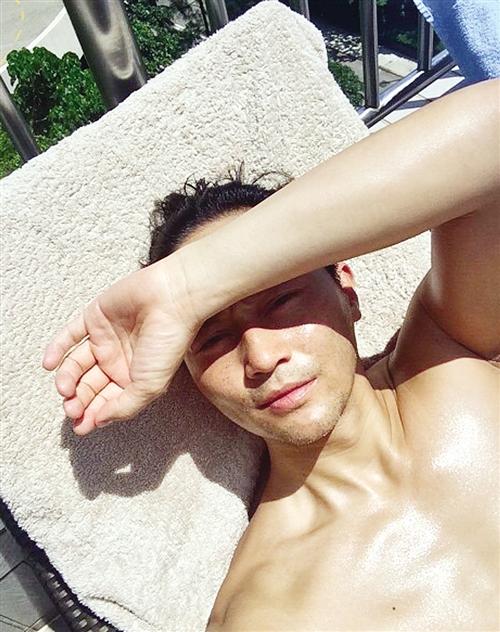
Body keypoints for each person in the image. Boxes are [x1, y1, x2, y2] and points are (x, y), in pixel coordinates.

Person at [42, 77, 499, 629]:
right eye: (211, 338)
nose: (259, 356)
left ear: (347, 291)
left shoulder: (451, 349)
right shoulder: (266, 608)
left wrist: (191, 285)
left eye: (281, 300)